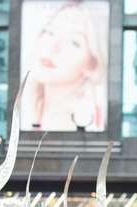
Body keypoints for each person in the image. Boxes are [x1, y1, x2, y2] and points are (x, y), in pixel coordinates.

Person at [26, 1, 107, 131]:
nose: (53, 47)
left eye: (73, 42)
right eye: (49, 32)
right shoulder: (29, 108)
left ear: (93, 64)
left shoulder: (87, 118)